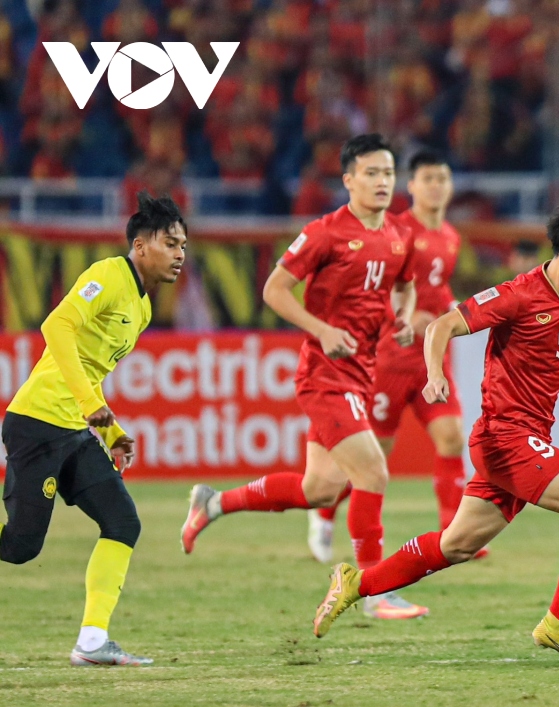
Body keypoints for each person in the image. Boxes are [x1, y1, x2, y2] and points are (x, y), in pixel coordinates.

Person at [311, 194, 559, 660]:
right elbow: (441, 325)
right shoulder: (519, 294)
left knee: (456, 545)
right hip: (505, 438)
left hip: (526, 440)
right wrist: (436, 375)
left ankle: (355, 583)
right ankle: (558, 624)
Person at [180, 133, 425, 621]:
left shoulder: (400, 234)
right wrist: (321, 328)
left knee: (321, 490)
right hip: (323, 375)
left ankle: (212, 504)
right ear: (349, 179)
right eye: (371, 173)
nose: (381, 182)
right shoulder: (325, 233)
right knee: (373, 472)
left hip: (361, 374)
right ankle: (373, 590)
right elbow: (275, 289)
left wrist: (402, 315)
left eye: (388, 173)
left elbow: (406, 285)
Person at [0, 192, 186, 666]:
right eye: (171, 242)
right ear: (141, 246)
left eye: (184, 244)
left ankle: (91, 641)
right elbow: (56, 327)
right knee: (20, 547)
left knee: (123, 523)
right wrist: (89, 407)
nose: (181, 254)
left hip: (74, 432)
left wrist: (110, 432)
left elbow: (91, 368)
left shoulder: (142, 308)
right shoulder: (107, 275)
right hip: (38, 423)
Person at [306, 150, 488, 581]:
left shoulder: (450, 236)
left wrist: (448, 312)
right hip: (390, 359)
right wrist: (407, 318)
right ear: (412, 186)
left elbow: (436, 288)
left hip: (430, 360)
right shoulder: (397, 230)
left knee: (450, 437)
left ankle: (452, 532)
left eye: (442, 177)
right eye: (427, 178)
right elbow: (378, 287)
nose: (436, 186)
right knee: (372, 458)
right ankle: (325, 514)